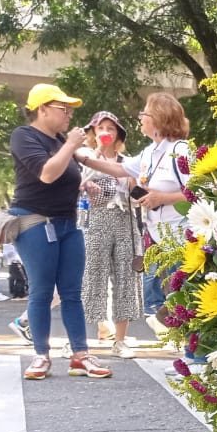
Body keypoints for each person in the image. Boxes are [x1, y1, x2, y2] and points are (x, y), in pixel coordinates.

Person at [8, 83, 112, 380]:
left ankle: (81, 354)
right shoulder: (25, 136)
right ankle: (41, 355)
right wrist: (70, 145)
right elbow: (47, 173)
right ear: (41, 110)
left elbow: (83, 169)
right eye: (62, 109)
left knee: (72, 292)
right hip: (35, 222)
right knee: (41, 291)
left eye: (69, 110)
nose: (69, 115)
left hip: (68, 223)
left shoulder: (61, 140)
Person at [86, 93, 191, 335]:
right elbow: (120, 168)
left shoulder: (180, 151)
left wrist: (162, 198)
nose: (140, 117)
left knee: (184, 299)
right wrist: (83, 157)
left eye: (144, 112)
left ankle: (193, 357)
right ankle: (185, 353)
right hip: (159, 239)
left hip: (181, 238)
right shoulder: (150, 152)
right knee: (170, 299)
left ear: (158, 118)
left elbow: (200, 191)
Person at [80, 111, 142, 358]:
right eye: (101, 128)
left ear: (118, 134)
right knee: (92, 277)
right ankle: (80, 339)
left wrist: (134, 185)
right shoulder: (84, 158)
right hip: (95, 220)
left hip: (125, 221)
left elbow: (140, 194)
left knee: (126, 278)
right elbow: (74, 186)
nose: (105, 132)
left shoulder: (128, 162)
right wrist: (86, 184)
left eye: (111, 128)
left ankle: (120, 341)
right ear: (93, 132)